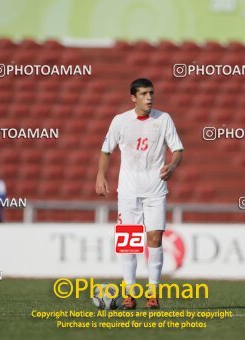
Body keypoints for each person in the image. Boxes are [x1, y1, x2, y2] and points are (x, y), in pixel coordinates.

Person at [95, 78, 183, 309]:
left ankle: (152, 294)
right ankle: (129, 294)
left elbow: (177, 150)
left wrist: (172, 166)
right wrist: (100, 176)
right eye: (143, 94)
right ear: (133, 97)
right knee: (129, 244)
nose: (149, 97)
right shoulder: (120, 121)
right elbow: (106, 151)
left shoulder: (163, 119)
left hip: (155, 190)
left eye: (151, 93)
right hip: (128, 191)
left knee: (155, 240)